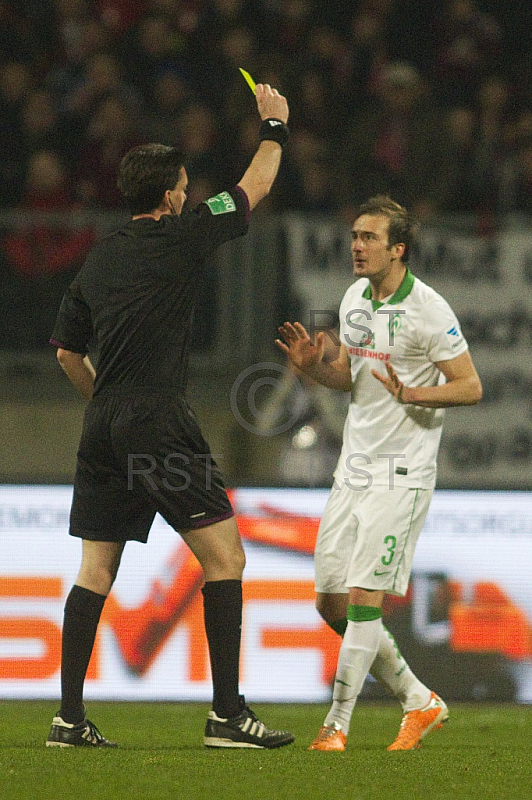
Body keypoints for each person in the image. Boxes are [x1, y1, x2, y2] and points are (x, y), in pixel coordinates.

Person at [46, 82, 294, 750]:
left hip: (102, 425)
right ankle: (226, 715)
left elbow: (68, 353)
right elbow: (257, 183)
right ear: (168, 196)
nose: (187, 194)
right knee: (226, 558)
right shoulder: (184, 236)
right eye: (182, 187)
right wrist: (275, 123)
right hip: (157, 421)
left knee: (94, 572)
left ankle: (68, 720)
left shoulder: (98, 258)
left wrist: (107, 407)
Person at [276, 195, 482, 751]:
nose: (357, 246)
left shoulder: (430, 310)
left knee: (366, 597)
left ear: (399, 249)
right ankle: (419, 700)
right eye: (354, 237)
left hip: (403, 474)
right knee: (330, 602)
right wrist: (314, 367)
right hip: (353, 470)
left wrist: (418, 392)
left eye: (369, 238)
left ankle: (336, 725)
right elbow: (353, 379)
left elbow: (470, 385)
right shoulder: (353, 300)